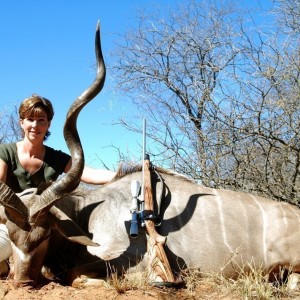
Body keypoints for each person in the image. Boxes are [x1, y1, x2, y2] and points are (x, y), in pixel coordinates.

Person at [0, 94, 116, 276]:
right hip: (13, 224)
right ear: (21, 122)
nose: (35, 125)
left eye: (41, 120)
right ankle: (6, 265)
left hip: (43, 227)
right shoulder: (5, 151)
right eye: (30, 119)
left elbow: (88, 173)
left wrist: (125, 174)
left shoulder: (56, 157)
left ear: (48, 124)